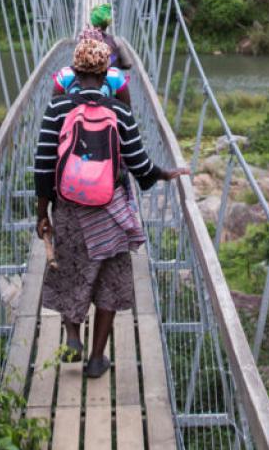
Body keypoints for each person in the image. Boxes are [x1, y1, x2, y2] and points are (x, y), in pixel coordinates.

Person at [34, 35, 187, 377]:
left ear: (74, 71)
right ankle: (97, 358)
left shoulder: (58, 108)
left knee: (70, 272)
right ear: (107, 74)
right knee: (111, 282)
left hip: (70, 208)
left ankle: (73, 334)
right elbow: (139, 164)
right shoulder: (118, 110)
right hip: (110, 209)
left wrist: (42, 212)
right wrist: (164, 174)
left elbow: (44, 162)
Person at [88, 3, 132, 71]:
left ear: (93, 22)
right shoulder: (116, 41)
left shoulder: (85, 42)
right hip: (111, 79)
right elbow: (128, 64)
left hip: (90, 80)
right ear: (107, 24)